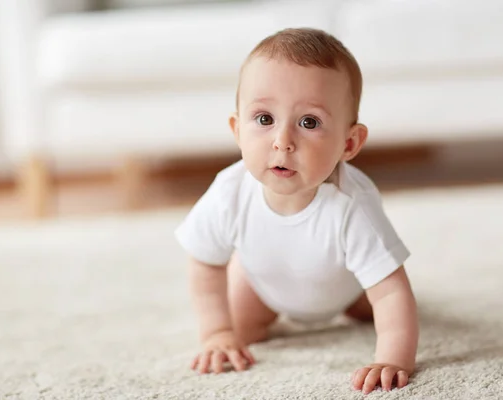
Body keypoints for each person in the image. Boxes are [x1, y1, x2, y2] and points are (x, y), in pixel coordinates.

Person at [175, 27, 418, 394]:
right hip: (262, 283)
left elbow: (390, 291)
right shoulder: (230, 191)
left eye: (309, 122)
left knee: (383, 311)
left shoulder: (351, 205)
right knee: (239, 333)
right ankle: (243, 303)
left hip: (347, 286)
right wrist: (216, 332)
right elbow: (206, 262)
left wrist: (393, 359)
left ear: (349, 143)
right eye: (264, 119)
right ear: (237, 129)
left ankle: (353, 305)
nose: (283, 141)